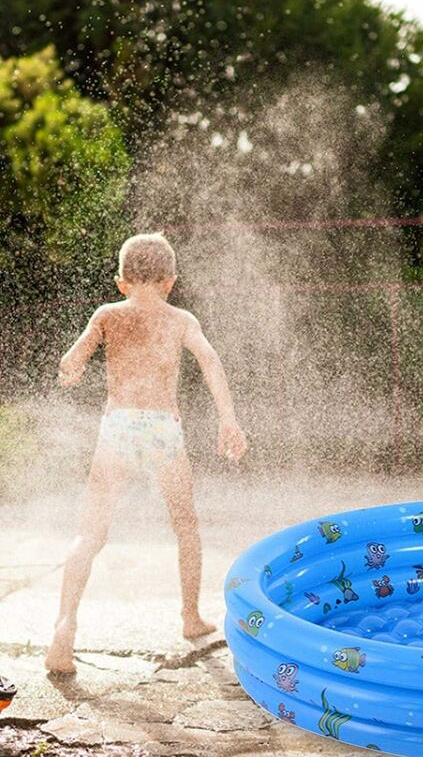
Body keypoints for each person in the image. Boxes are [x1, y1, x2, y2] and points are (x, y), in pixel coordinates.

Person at [45, 233, 247, 674]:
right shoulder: (180, 319)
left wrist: (72, 372)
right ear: (171, 281)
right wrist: (227, 417)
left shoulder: (107, 315)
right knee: (186, 525)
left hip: (118, 427)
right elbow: (210, 362)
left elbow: (71, 360)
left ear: (121, 282)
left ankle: (64, 624)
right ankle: (190, 616)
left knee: (91, 532)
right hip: (161, 429)